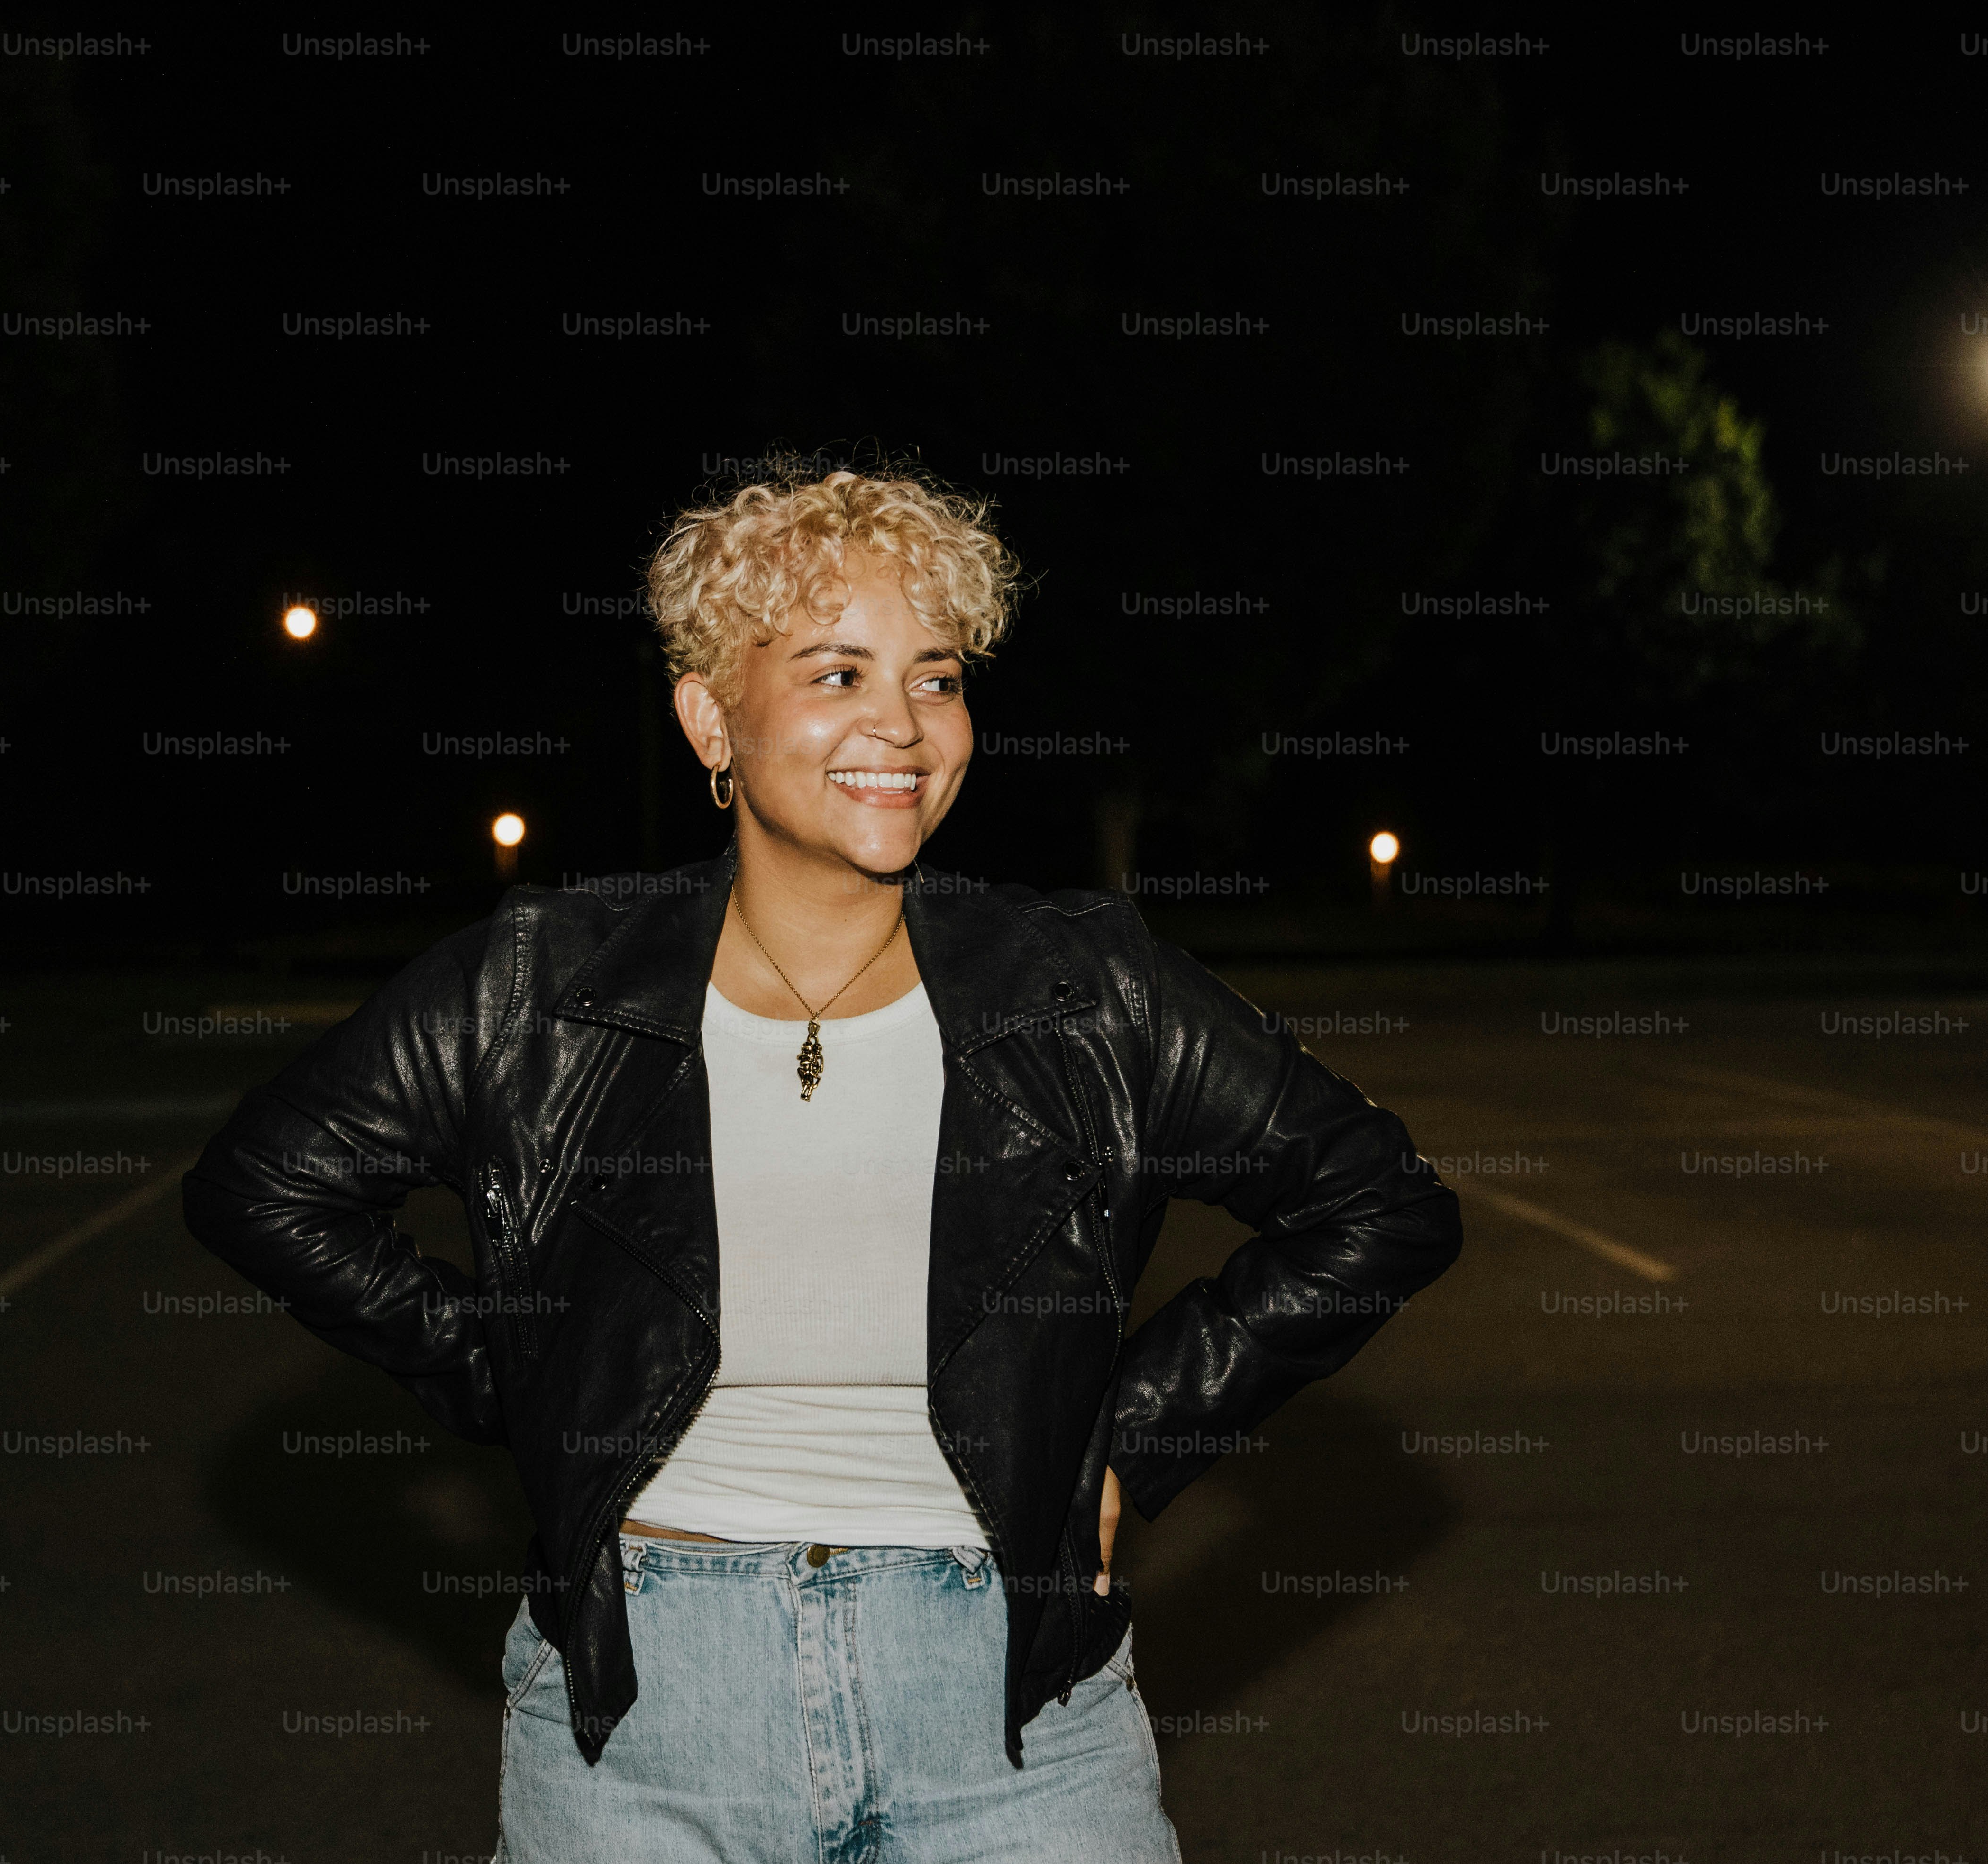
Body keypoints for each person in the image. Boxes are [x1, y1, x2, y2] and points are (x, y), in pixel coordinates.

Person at [183, 468, 1462, 1862]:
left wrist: (1139, 1431)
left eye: (936, 675)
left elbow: (1375, 1203)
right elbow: (268, 1182)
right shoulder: (537, 983)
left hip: (1011, 1714)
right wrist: (515, 1370)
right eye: (836, 671)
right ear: (708, 718)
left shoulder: (1089, 987)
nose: (900, 728)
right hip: (651, 1712)